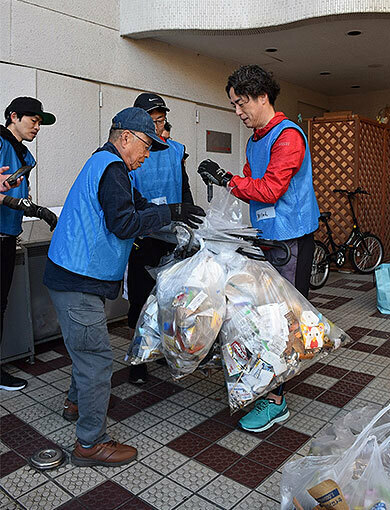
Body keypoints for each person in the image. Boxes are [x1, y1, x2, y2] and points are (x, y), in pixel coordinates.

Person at [43, 107, 205, 467]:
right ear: (126, 138)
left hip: (76, 277)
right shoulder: (113, 169)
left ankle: (77, 403)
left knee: (86, 350)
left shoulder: (113, 167)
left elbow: (141, 206)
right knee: (98, 361)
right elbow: (124, 222)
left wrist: (179, 222)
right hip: (77, 280)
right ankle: (90, 443)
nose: (147, 156)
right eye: (147, 146)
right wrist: (172, 213)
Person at [197, 65, 320, 433]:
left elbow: (267, 189)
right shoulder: (256, 139)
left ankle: (277, 401)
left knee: (283, 321)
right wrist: (229, 182)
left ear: (262, 97)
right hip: (265, 238)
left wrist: (228, 180)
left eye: (241, 103)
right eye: (234, 104)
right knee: (260, 317)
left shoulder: (288, 137)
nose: (237, 111)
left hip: (292, 240)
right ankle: (263, 382)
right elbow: (250, 181)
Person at [127, 93, 194, 384]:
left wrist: (192, 225)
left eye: (161, 119)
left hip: (172, 238)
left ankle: (166, 351)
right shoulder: (130, 153)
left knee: (171, 300)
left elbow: (186, 191)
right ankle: (138, 359)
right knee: (141, 301)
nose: (158, 125)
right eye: (152, 120)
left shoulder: (175, 150)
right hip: (143, 238)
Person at [0, 97, 57, 392]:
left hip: (8, 238)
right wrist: (21, 203)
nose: (37, 126)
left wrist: (34, 208)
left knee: (1, 305)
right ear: (13, 116)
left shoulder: (24, 155)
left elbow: (21, 195)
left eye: (39, 122)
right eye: (32, 120)